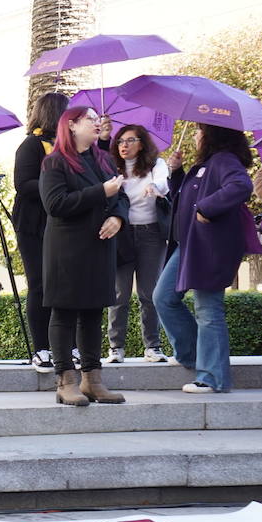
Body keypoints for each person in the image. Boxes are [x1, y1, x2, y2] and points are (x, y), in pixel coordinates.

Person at [38, 106, 128, 408]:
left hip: (100, 246)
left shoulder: (102, 159)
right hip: (67, 249)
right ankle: (66, 380)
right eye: (90, 118)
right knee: (63, 313)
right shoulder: (54, 162)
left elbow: (121, 196)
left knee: (92, 312)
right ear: (72, 125)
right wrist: (101, 191)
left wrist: (118, 217)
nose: (97, 123)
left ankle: (93, 379)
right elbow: (56, 204)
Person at [155, 124, 255, 394]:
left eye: (200, 130)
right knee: (163, 297)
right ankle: (194, 357)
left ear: (213, 134)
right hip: (188, 244)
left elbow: (242, 185)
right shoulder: (207, 164)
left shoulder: (224, 160)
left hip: (211, 245)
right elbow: (186, 198)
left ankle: (212, 377)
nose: (197, 135)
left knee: (208, 309)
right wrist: (176, 173)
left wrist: (208, 209)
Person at [11, 91, 70, 372]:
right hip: (33, 224)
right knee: (40, 285)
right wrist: (57, 185)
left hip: (62, 226)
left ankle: (67, 346)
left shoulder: (68, 148)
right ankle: (41, 349)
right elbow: (23, 183)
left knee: (65, 286)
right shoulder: (31, 145)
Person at [106, 125, 171, 363]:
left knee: (149, 293)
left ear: (142, 143)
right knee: (119, 293)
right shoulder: (112, 168)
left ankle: (153, 347)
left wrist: (155, 188)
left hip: (151, 234)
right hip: (121, 234)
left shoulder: (156, 165)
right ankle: (116, 348)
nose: (124, 145)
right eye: (120, 141)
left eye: (130, 140)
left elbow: (163, 183)